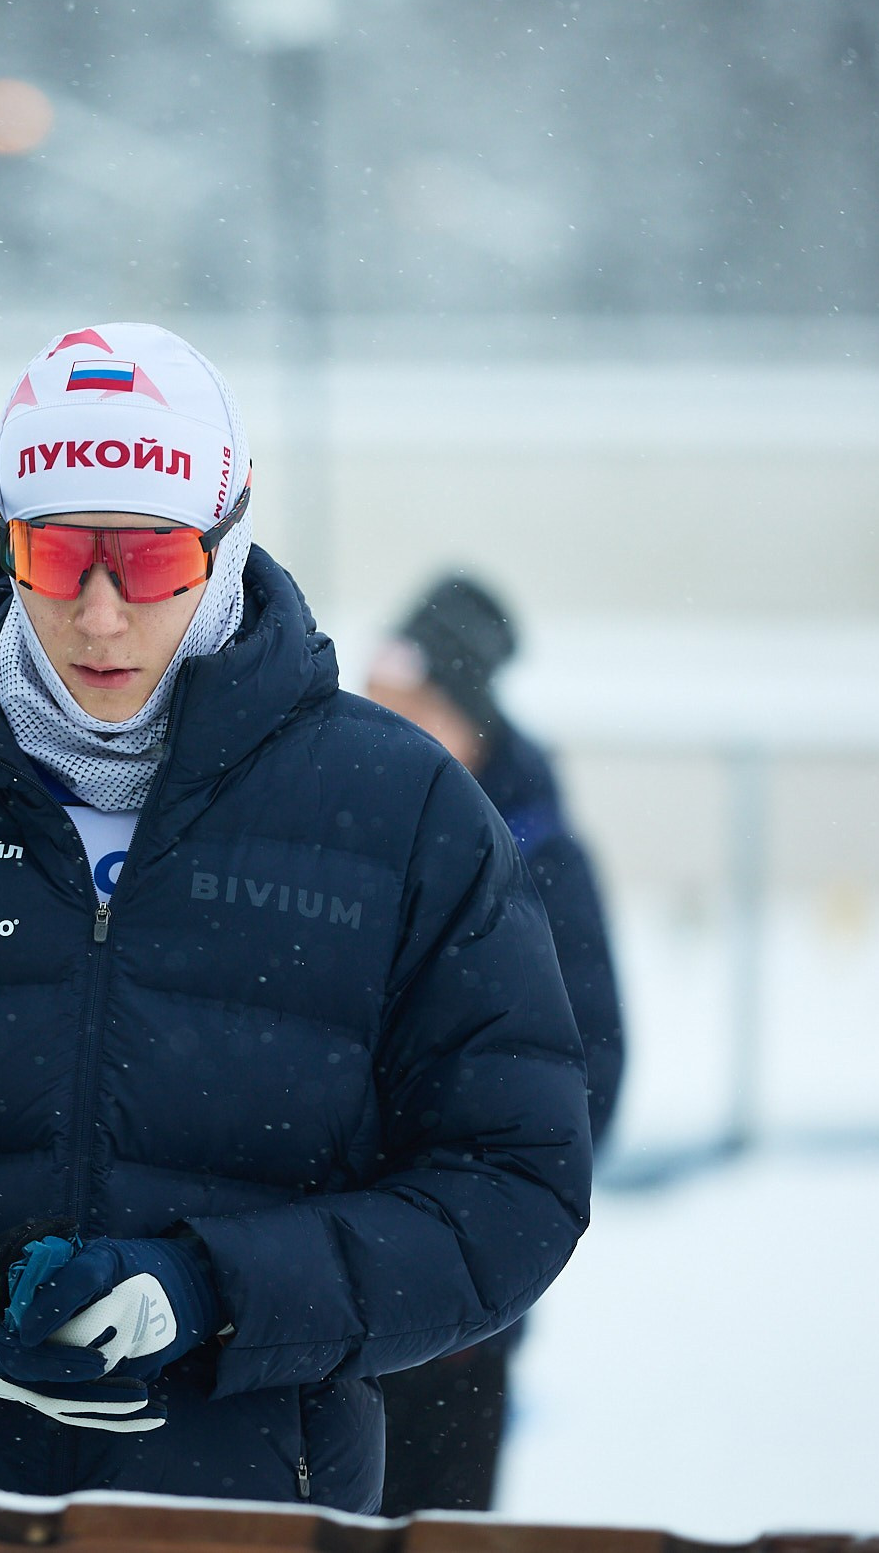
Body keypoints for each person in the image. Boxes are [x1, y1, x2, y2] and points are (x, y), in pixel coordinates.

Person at [0, 323, 591, 1511]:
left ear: (228, 535)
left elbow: (513, 1185)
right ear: (3, 539)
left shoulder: (395, 812)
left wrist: (216, 1294)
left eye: (147, 565)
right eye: (56, 557)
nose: (99, 617)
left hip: (252, 1517)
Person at [363, 575, 626, 1514]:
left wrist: (485, 1219)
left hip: (456, 1294)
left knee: (436, 1516)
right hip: (332, 1281)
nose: (383, 730)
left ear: (468, 722)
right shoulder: (353, 833)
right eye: (376, 705)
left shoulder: (535, 857)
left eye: (412, 710)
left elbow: (587, 1064)